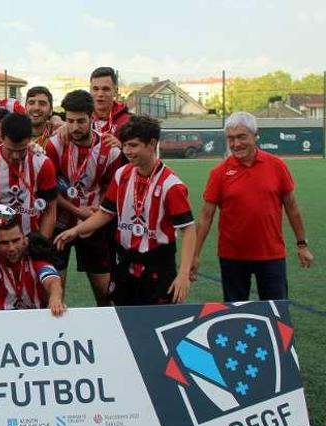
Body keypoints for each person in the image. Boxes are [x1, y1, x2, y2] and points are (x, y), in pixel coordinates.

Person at [55, 116, 196, 306]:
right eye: (125, 145)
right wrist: (76, 230)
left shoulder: (171, 185)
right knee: (121, 316)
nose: (127, 151)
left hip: (158, 263)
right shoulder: (122, 174)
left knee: (155, 323)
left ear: (152, 144)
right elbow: (106, 213)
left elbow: (188, 229)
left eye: (133, 145)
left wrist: (184, 274)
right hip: (126, 260)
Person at [192, 111, 314, 301]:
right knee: (236, 315)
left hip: (271, 255)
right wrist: (195, 254)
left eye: (242, 137)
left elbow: (292, 207)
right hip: (232, 257)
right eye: (230, 138)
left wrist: (302, 245)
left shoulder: (276, 166)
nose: (236, 144)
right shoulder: (219, 173)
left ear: (255, 136)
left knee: (275, 313)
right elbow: (206, 216)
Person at [46, 90, 123, 306]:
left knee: (105, 293)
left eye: (81, 121)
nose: (75, 127)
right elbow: (50, 190)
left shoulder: (111, 151)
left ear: (92, 118)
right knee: (55, 293)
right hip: (60, 223)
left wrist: (95, 215)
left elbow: (111, 192)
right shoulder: (55, 144)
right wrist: (78, 212)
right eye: (69, 121)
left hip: (94, 225)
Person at [0, 112, 59, 237]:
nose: (15, 156)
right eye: (10, 150)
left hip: (31, 237)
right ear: (2, 137)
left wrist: (41, 244)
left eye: (21, 150)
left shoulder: (43, 163)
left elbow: (50, 210)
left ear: (29, 140)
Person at [0, 219, 65, 315]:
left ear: (25, 240)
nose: (11, 248)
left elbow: (52, 281)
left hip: (33, 321)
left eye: (16, 240)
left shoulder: (35, 259)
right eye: (4, 243)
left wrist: (55, 298)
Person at [89, 67, 132, 137]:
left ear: (115, 91)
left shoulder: (128, 122)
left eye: (106, 89)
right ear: (90, 90)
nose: (100, 94)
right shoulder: (80, 119)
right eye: (95, 89)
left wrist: (120, 147)